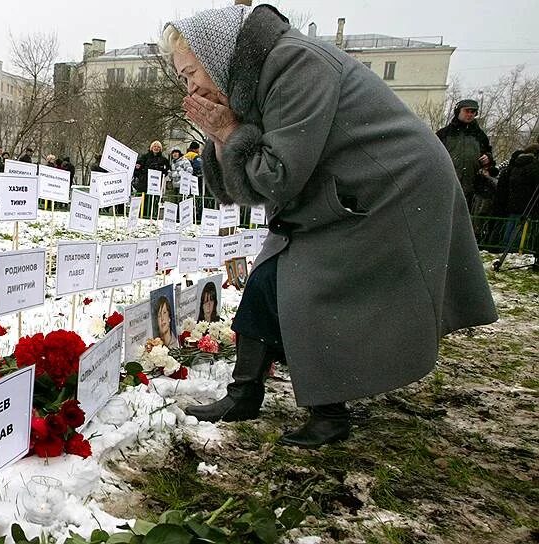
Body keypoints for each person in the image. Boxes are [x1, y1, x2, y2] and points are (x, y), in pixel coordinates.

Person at [164, 4, 496, 447]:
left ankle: (329, 412)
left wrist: (227, 130)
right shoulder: (253, 82)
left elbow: (277, 175)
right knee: (265, 275)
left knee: (313, 284)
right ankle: (244, 394)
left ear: (216, 53)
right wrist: (224, 132)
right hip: (340, 188)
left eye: (190, 73)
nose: (190, 86)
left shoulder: (296, 63)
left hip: (393, 185)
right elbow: (246, 188)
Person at [436, 99, 497, 211]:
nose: (470, 114)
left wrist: (488, 159)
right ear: (458, 111)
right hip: (447, 186)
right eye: (466, 111)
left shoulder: (480, 135)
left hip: (471, 188)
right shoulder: (444, 134)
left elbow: (489, 157)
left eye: (473, 112)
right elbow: (434, 158)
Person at [495, 143, 539, 255]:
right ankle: (515, 250)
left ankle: (505, 248)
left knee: (511, 225)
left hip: (513, 202)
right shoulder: (532, 167)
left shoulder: (516, 166)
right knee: (521, 228)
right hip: (527, 203)